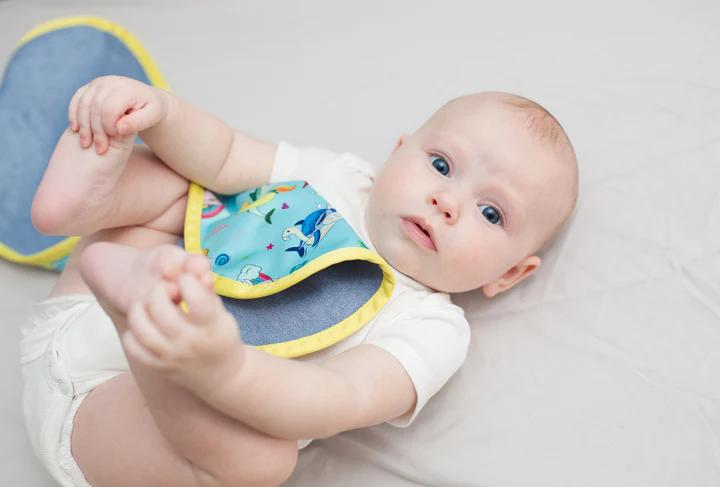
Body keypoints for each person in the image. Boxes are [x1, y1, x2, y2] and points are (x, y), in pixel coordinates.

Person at [23, 75, 578, 487]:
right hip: (82, 306)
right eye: (440, 165)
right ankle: (88, 202)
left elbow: (342, 396)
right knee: (192, 186)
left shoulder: (432, 327)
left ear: (509, 275)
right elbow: (225, 154)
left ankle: (151, 341)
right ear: (396, 153)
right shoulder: (339, 178)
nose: (448, 201)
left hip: (119, 427)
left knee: (264, 460)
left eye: (491, 213)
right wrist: (162, 114)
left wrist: (224, 371)